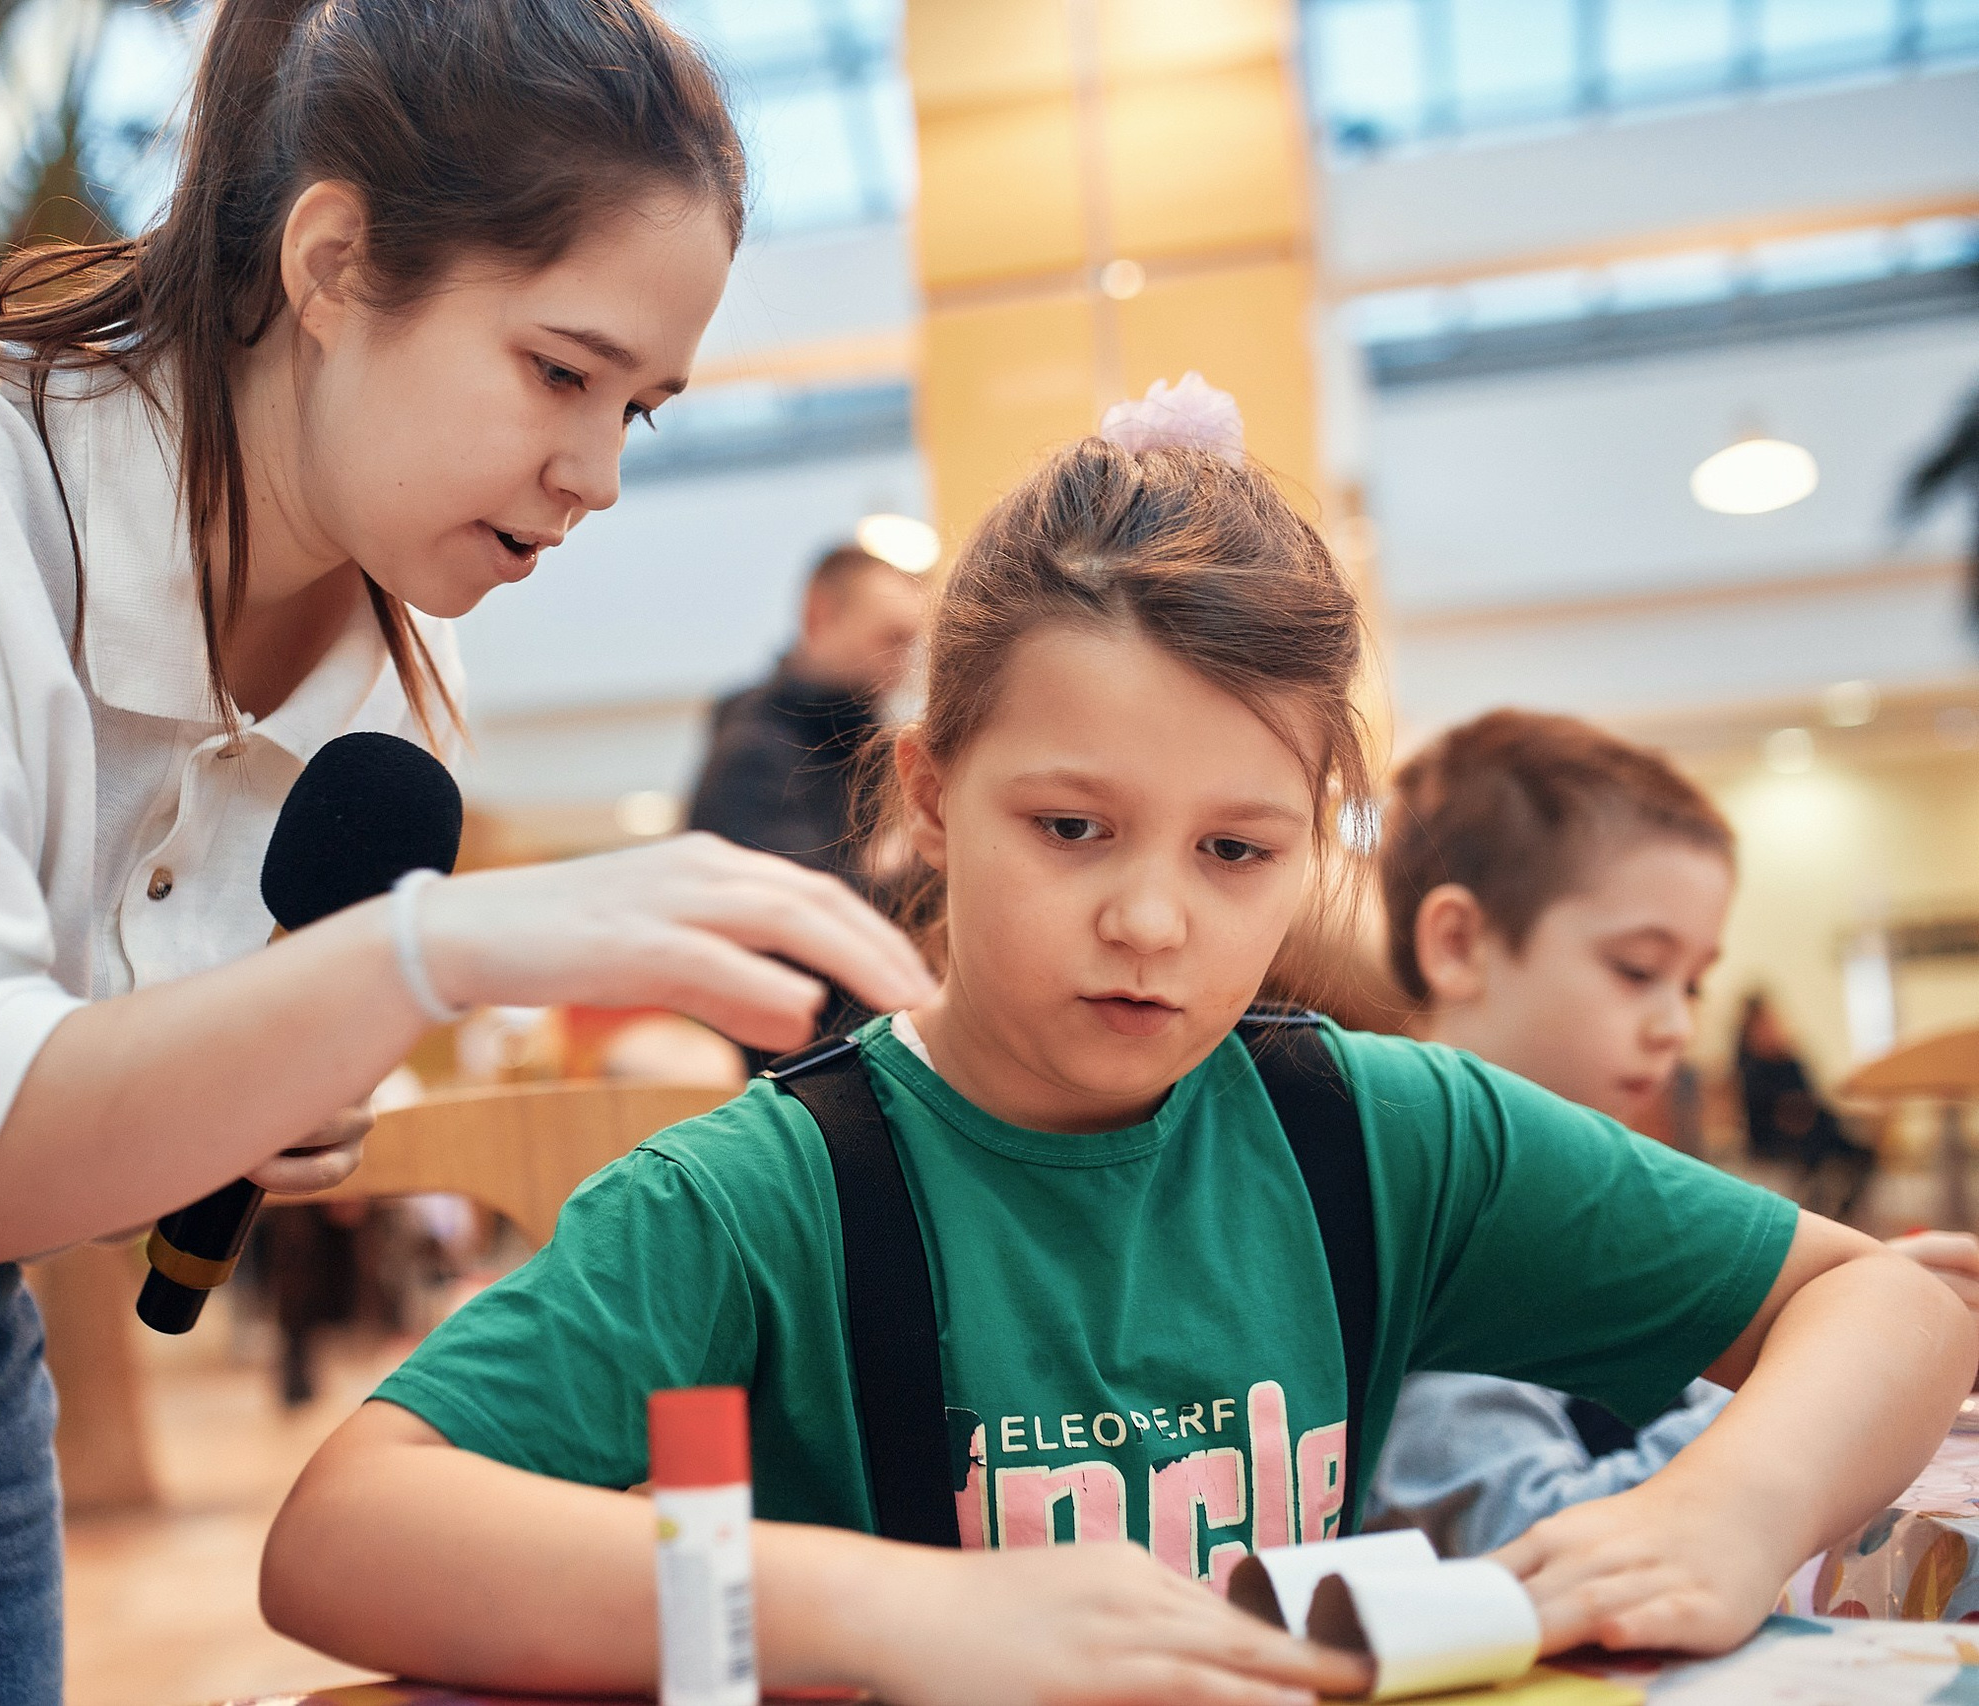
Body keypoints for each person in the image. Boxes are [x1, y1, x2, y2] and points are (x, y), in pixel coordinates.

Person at [0, 3, 935, 1700]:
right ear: (334, 261)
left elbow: (11, 1179)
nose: (594, 476)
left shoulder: (400, 675)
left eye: (639, 410)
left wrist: (261, 1080)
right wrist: (424, 956)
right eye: (560, 372)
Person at [258, 383, 1977, 1706]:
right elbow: (343, 1532)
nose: (1154, 919)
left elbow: (1891, 1307)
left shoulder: (1389, 1134)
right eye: (1072, 828)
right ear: (932, 796)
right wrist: (896, 1606)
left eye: (1236, 850)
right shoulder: (759, 1198)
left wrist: (1724, 1515)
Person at [1361, 712, 1979, 1558]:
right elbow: (1515, 1539)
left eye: (1691, 985)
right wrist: (1821, 1385)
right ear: (1461, 943)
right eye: (1638, 970)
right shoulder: (1428, 1216)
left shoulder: (1600, 1202)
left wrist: (1840, 1327)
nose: (1677, 1026)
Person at [685, 542, 928, 878]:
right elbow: (775, 899)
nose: (903, 664)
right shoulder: (753, 754)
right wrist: (898, 865)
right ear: (819, 617)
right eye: (891, 639)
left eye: (910, 643)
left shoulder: (870, 744)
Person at [1738, 990, 1879, 1223]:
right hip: (1782, 1137)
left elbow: (1813, 1094)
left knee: (1863, 1152)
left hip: (1814, 1128)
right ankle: (1818, 1215)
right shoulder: (1751, 1068)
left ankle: (1839, 1213)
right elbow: (1765, 1112)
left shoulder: (1790, 1059)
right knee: (1819, 1156)